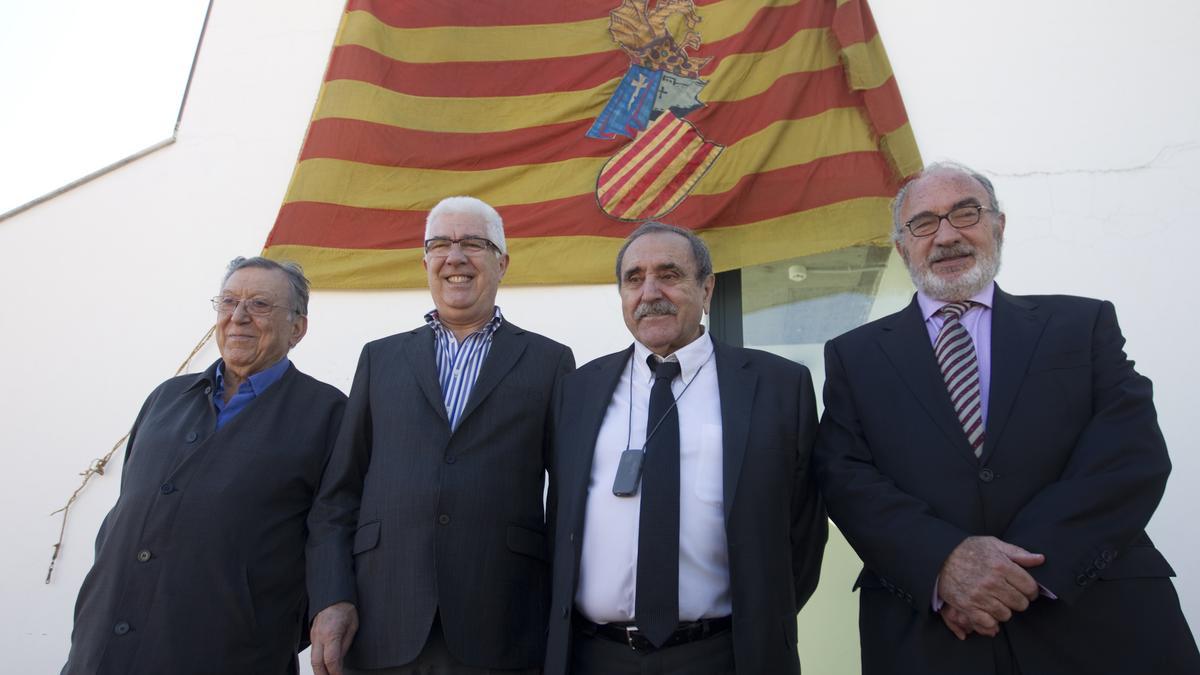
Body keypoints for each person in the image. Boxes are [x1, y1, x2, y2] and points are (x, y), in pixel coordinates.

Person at [813, 161, 1200, 674]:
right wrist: (945, 564)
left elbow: (1129, 455)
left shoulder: (1082, 325)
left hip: (1100, 621)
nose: (946, 236)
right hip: (935, 636)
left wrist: (1010, 575)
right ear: (903, 246)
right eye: (923, 223)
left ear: (998, 224)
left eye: (965, 213)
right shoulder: (853, 355)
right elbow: (845, 476)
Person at [306, 196, 574, 675]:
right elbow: (337, 496)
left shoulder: (549, 362)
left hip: (501, 622)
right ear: (425, 261)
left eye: (473, 243)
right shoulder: (379, 359)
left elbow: (569, 502)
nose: (455, 257)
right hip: (381, 620)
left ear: (502, 262)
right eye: (440, 245)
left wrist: (561, 616)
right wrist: (331, 598)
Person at [544, 222, 827, 675]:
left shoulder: (778, 387)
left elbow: (804, 532)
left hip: (725, 655)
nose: (650, 292)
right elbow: (559, 521)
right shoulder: (576, 392)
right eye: (634, 279)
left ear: (707, 288)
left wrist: (761, 622)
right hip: (595, 656)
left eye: (669, 275)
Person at [62, 257, 346, 675]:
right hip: (102, 648)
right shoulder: (166, 398)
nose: (239, 317)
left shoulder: (329, 413)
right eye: (228, 302)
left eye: (260, 305)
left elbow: (332, 533)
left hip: (229, 651)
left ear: (298, 328)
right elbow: (128, 508)